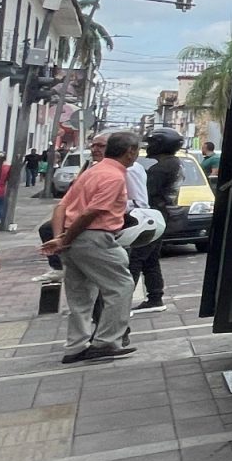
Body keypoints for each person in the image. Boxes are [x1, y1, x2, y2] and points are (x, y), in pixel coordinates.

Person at [51, 131, 140, 363]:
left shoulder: (92, 172)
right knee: (121, 287)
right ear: (130, 152)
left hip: (74, 237)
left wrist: (59, 237)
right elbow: (92, 212)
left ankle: (76, 346)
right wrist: (67, 238)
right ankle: (106, 341)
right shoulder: (113, 176)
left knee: (80, 296)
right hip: (93, 237)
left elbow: (62, 206)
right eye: (136, 151)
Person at [128, 130, 185, 314]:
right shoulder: (174, 164)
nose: (149, 147)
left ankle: (123, 301)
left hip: (151, 217)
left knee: (136, 259)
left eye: (152, 143)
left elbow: (145, 194)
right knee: (150, 259)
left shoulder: (160, 169)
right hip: (162, 217)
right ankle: (155, 296)